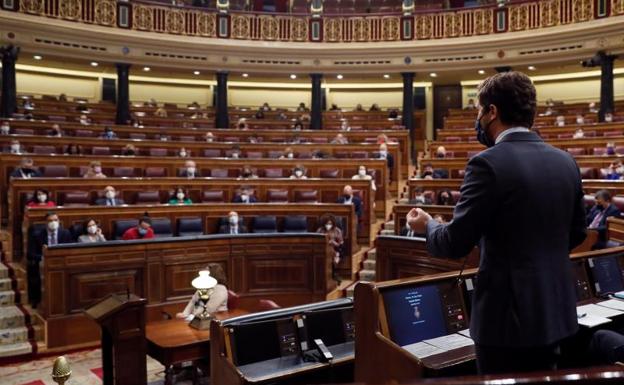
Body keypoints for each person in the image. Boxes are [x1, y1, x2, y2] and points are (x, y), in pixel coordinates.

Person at [405, 71, 587, 375]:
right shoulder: (565, 161)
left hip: (506, 323)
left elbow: (455, 243)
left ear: (492, 112)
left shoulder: (487, 163)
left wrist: (428, 226)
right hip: (556, 313)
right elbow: (578, 232)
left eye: (479, 109)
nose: (478, 117)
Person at [27, 211, 74, 307]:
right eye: (50, 220)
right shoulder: (37, 234)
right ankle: (37, 299)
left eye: (55, 220)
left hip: (61, 261)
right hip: (42, 261)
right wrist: (44, 257)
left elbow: (71, 250)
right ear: (45, 223)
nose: (53, 222)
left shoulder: (65, 233)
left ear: (59, 221)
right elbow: (30, 254)